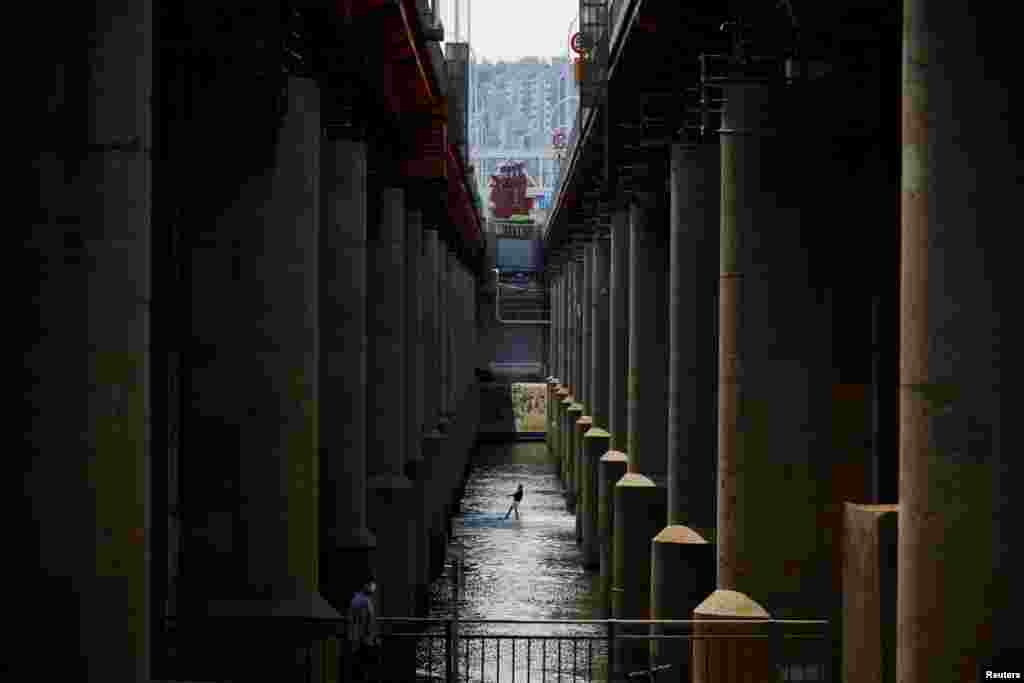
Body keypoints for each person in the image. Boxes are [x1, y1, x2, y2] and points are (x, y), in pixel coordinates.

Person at [347, 577, 380, 682]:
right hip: (363, 643)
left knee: (358, 672)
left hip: (358, 642)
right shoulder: (364, 601)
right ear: (366, 585)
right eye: (372, 585)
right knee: (364, 672)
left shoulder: (356, 599)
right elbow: (364, 624)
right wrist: (370, 640)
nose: (373, 587)